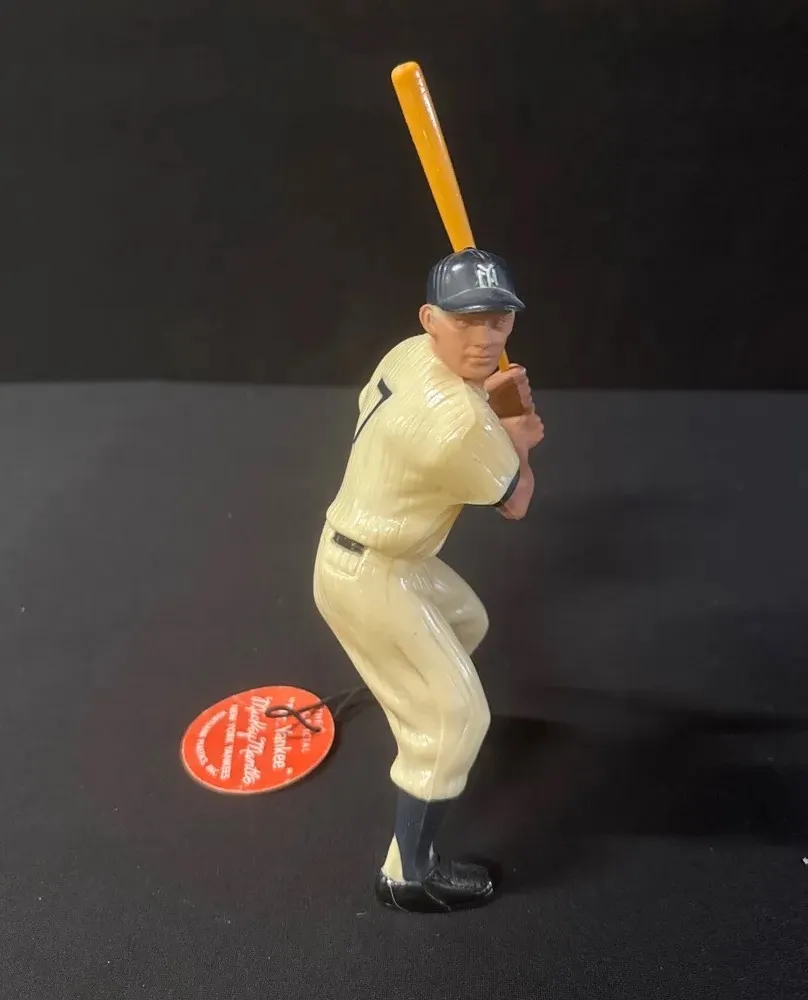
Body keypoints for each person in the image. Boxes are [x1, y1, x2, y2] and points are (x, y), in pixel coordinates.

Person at [313, 247, 544, 913]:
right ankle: (408, 876)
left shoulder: (408, 354)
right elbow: (515, 501)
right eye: (465, 320)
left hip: (380, 557)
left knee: (467, 621)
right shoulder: (459, 426)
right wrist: (518, 435)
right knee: (457, 721)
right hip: (369, 575)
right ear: (430, 318)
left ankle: (400, 690)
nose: (484, 338)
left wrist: (492, 409)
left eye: (498, 320)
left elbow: (454, 408)